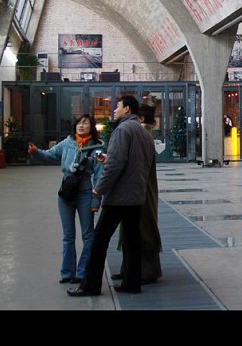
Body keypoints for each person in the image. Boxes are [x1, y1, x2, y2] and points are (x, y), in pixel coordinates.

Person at [67, 95, 153, 296]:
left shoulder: (122, 130)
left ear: (127, 110)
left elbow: (115, 166)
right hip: (136, 194)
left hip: (119, 196)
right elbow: (140, 162)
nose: (114, 110)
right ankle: (132, 283)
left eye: (118, 107)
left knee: (99, 241)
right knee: (133, 241)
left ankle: (90, 285)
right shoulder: (142, 132)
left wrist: (99, 188)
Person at [28, 115, 105, 284]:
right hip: (67, 191)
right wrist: (36, 152)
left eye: (86, 123)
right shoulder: (67, 142)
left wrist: (95, 200)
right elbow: (49, 155)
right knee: (68, 236)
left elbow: (100, 175)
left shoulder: (97, 147)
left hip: (85, 192)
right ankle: (67, 273)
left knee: (88, 236)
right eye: (79, 122)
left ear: (91, 127)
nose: (82, 125)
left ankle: (82, 271)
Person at [110, 104, 162, 285]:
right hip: (141, 188)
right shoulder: (143, 133)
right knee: (135, 229)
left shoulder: (141, 134)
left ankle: (145, 271)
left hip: (140, 189)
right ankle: (130, 269)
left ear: (139, 119)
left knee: (142, 229)